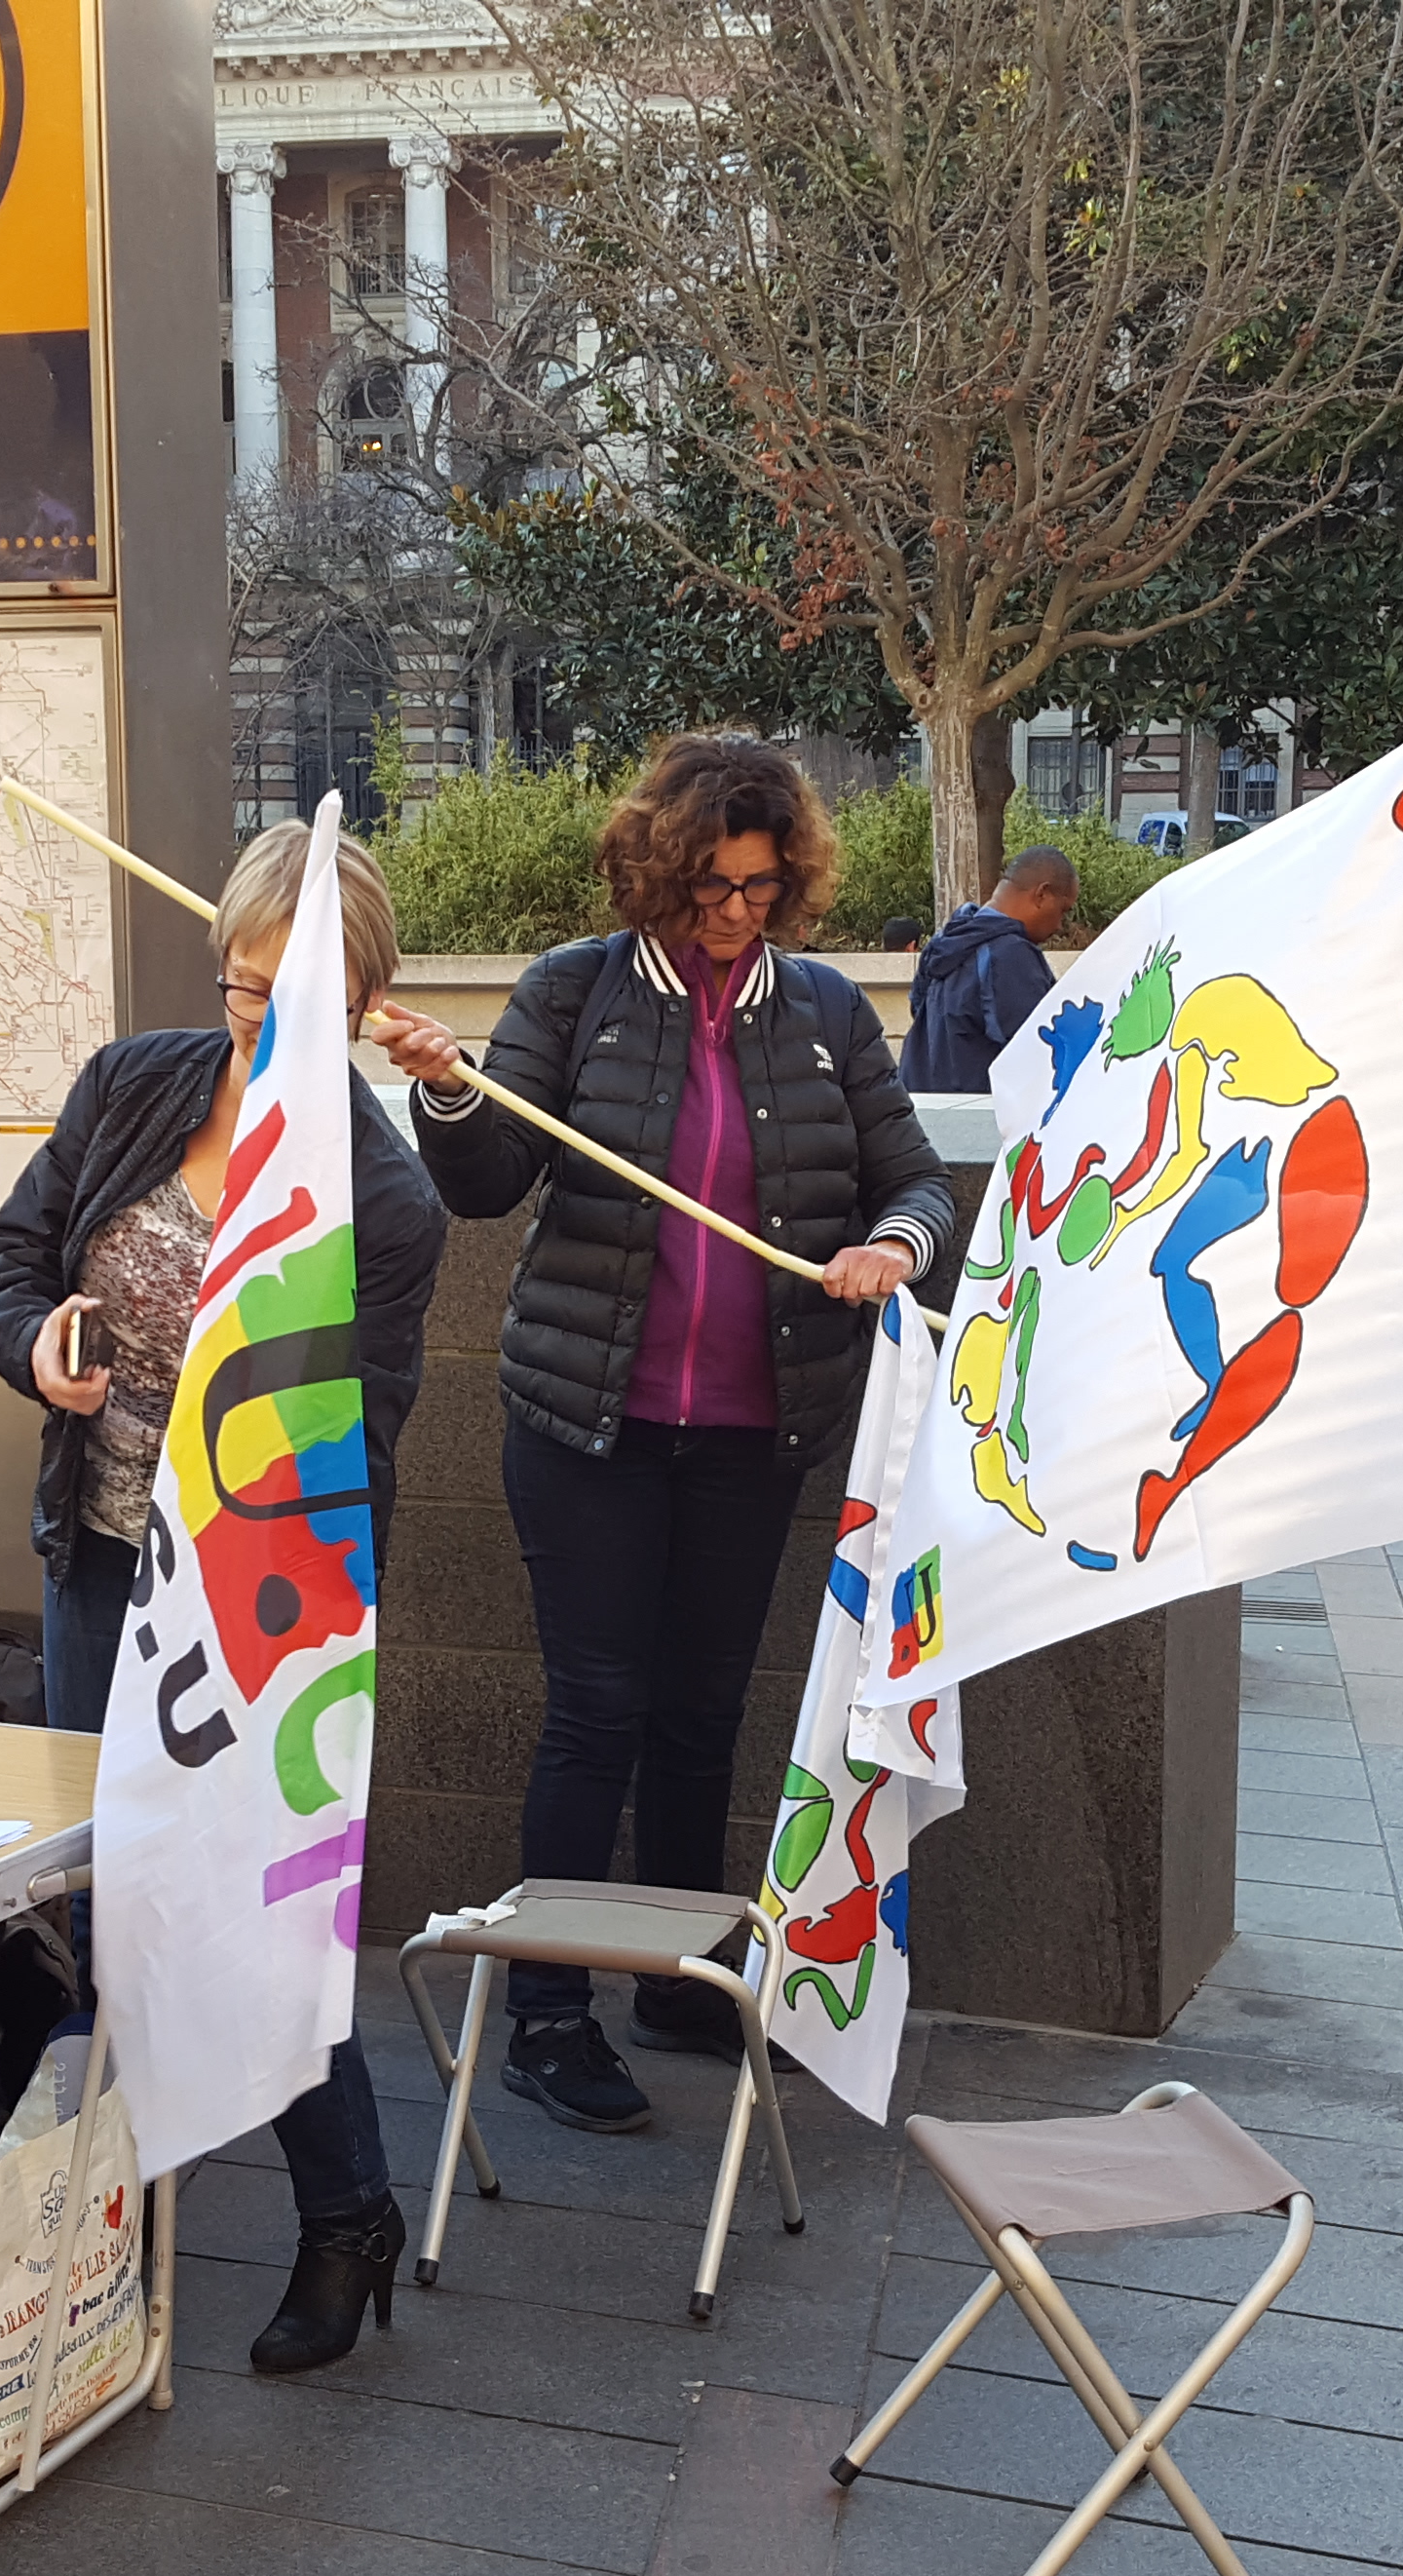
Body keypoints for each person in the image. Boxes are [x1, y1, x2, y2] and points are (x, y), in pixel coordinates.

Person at [375, 734, 952, 2134]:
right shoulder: (572, 992)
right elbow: (486, 1184)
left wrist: (891, 1245)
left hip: (757, 1434)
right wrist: (450, 1090)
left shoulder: (823, 1011)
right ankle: (548, 2013)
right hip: (587, 1427)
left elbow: (918, 1180)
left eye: (758, 886)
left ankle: (680, 1980)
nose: (735, 912)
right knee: (597, 1712)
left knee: (703, 1717)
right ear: (658, 872)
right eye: (709, 886)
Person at [0, 824, 446, 2370]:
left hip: (257, 1604)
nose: (261, 1018)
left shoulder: (385, 1197)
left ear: (365, 1000)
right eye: (245, 987)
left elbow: (364, 1441)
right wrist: (36, 1344)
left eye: (297, 996)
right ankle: (108, 2215)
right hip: (100, 1554)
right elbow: (15, 1259)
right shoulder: (135, 1085)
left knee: (258, 1906)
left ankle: (348, 2212)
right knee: (104, 1892)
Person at [903, 843, 1080, 1096]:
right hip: (981, 1110)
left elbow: (917, 1009)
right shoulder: (1009, 954)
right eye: (1063, 910)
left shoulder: (945, 941)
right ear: (1042, 894)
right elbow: (1040, 1051)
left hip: (921, 1103)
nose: (1060, 925)